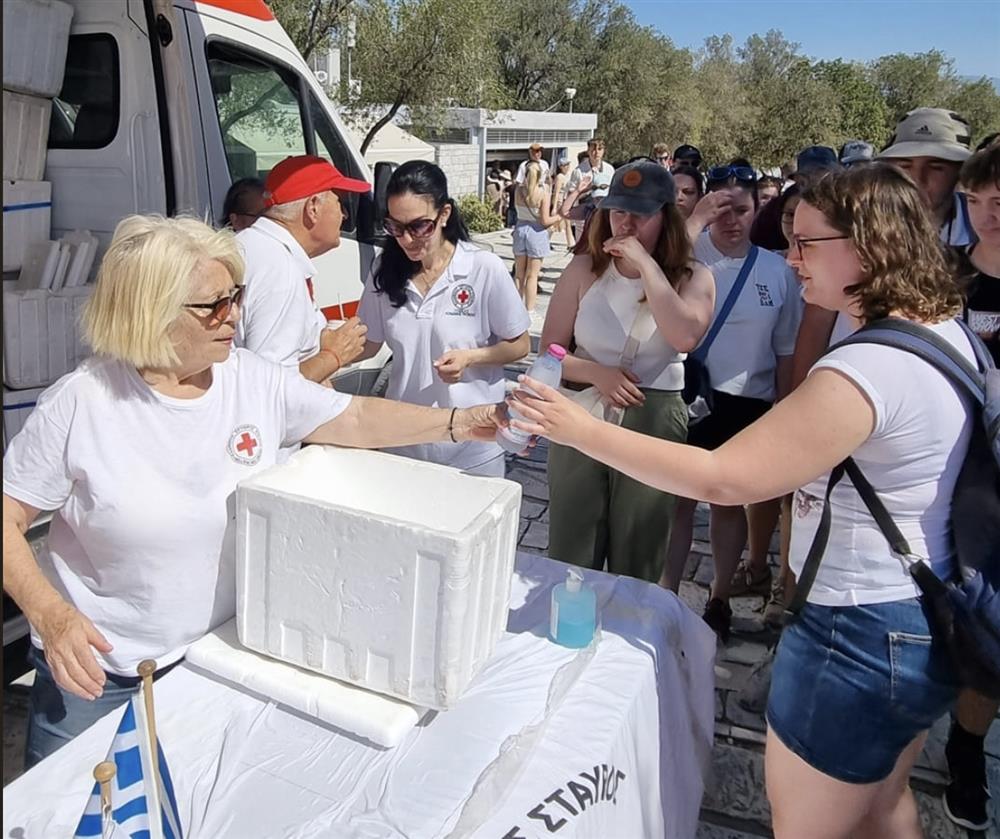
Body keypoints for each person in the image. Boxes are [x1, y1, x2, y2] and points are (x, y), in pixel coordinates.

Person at [511, 163, 974, 839]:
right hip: (914, 618)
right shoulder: (939, 333)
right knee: (881, 804)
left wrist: (578, 427)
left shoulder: (867, 368)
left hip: (856, 633)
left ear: (869, 246)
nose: (790, 258)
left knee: (810, 822)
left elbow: (725, 480)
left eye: (807, 242)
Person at [1, 215, 502, 766]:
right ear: (152, 312)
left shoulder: (250, 377)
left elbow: (354, 418)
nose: (234, 314)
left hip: (218, 658)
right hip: (99, 677)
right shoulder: (80, 404)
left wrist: (463, 422)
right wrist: (50, 614)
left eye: (235, 295)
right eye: (213, 305)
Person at [541, 161, 715, 583]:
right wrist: (597, 373)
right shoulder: (584, 270)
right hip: (583, 405)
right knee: (573, 542)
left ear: (665, 217)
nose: (627, 222)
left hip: (652, 410)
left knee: (640, 547)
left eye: (641, 213)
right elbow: (551, 349)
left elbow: (684, 337)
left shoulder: (695, 277)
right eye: (619, 211)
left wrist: (649, 268)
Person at [663, 164, 802, 641]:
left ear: (757, 210)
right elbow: (653, 263)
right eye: (719, 209)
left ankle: (719, 597)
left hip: (748, 402)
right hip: (686, 393)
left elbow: (785, 347)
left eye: (741, 209)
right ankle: (666, 595)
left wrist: (786, 409)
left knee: (728, 505)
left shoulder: (777, 270)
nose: (731, 220)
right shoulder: (685, 254)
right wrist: (695, 220)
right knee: (676, 502)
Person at [356, 161, 530, 477]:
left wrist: (472, 357)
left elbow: (520, 345)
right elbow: (369, 342)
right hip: (404, 442)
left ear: (444, 215)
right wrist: (323, 355)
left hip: (472, 446)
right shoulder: (384, 270)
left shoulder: (483, 268)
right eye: (395, 227)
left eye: (419, 226)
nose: (406, 239)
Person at [941, 138, 999, 832]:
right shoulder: (944, 277)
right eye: (975, 200)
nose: (988, 214)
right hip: (957, 477)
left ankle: (967, 740)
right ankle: (964, 744)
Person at [235, 156, 369, 384]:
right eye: (340, 204)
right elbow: (270, 387)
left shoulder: (248, 245)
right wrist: (333, 356)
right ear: (313, 208)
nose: (344, 216)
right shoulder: (280, 270)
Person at [877, 107, 974, 246]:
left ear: (960, 172)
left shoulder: (985, 226)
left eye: (936, 168)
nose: (916, 179)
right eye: (905, 166)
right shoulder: (862, 223)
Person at [512, 160, 562, 312]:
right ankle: (530, 310)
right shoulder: (543, 194)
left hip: (520, 228)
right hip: (536, 232)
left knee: (519, 274)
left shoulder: (518, 191)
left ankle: (515, 308)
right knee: (532, 276)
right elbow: (545, 220)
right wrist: (559, 217)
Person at [564, 138, 615, 218]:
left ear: (603, 151)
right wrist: (587, 190)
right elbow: (570, 195)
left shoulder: (609, 169)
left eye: (599, 149)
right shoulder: (579, 171)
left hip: (605, 210)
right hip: (584, 211)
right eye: (593, 149)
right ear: (588, 151)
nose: (596, 153)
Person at [550, 155, 575, 250]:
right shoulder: (560, 177)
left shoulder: (564, 177)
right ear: (561, 167)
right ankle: (570, 243)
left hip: (564, 202)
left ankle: (571, 243)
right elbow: (556, 192)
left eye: (568, 164)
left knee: (567, 223)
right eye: (565, 165)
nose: (567, 167)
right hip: (560, 203)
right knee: (554, 224)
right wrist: (554, 207)